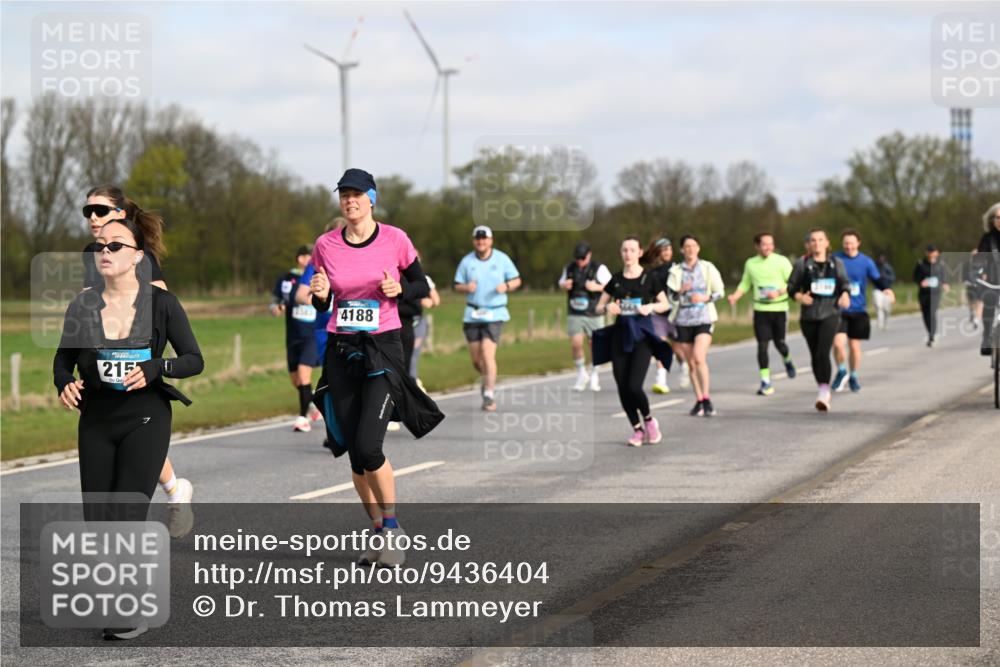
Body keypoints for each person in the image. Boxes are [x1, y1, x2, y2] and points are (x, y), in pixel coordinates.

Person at [53, 219, 204, 639]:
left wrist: (158, 366)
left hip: (147, 416)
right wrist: (64, 383)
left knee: (124, 513)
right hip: (97, 420)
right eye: (99, 244)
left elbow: (193, 358)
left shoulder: (163, 304)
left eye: (116, 245)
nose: (105, 250)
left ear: (138, 256)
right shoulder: (82, 306)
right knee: (98, 521)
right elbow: (62, 361)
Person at [308, 168, 444, 568]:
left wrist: (400, 288)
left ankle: (393, 529)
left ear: (372, 198)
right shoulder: (325, 245)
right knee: (353, 452)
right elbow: (323, 301)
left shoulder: (395, 239)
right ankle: (376, 529)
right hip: (341, 347)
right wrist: (320, 295)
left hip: (382, 347)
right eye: (344, 195)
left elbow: (422, 288)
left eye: (356, 194)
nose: (350, 200)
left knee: (370, 446)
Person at [81, 186, 193, 535]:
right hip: (105, 384)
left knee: (140, 446)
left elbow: (159, 302)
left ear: (120, 214)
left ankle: (175, 491)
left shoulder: (138, 255)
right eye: (88, 212)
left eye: (100, 210)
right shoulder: (92, 254)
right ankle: (176, 490)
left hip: (140, 370)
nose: (93, 218)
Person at [593, 237, 672, 446]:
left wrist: (651, 307)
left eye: (632, 250)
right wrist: (607, 308)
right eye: (624, 250)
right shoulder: (616, 280)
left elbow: (664, 304)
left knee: (634, 386)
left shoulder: (649, 279)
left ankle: (649, 420)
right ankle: (637, 429)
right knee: (621, 386)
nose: (628, 254)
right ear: (621, 253)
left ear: (639, 252)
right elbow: (598, 307)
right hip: (620, 336)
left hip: (642, 336)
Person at [454, 225, 522, 412]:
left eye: (484, 239)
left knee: (487, 352)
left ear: (490, 240)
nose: (481, 242)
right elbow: (457, 285)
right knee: (477, 360)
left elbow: (517, 280)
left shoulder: (502, 259)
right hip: (473, 313)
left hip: (495, 313)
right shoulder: (467, 261)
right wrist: (467, 288)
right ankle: (488, 378)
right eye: (478, 239)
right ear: (474, 241)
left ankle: (489, 395)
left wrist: (507, 286)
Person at [787, 228, 851, 412]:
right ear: (809, 244)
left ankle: (824, 392)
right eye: (813, 240)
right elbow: (791, 288)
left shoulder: (836, 263)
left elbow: (844, 283)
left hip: (830, 313)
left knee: (823, 352)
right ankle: (822, 387)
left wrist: (845, 295)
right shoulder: (802, 263)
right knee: (815, 355)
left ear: (827, 243)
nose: (817, 243)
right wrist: (800, 297)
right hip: (808, 316)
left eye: (820, 240)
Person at [727, 232, 797, 396]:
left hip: (779, 309)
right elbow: (745, 284)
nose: (768, 247)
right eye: (764, 244)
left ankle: (787, 359)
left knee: (780, 344)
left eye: (770, 244)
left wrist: (779, 292)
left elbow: (793, 282)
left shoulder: (782, 261)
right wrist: (735, 296)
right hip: (761, 311)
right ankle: (765, 381)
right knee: (762, 345)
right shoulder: (750, 263)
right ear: (757, 246)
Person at [666, 235, 725, 417]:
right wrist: (680, 291)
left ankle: (707, 398)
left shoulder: (707, 268)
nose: (690, 249)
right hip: (683, 320)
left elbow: (719, 292)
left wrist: (705, 298)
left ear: (698, 248)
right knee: (691, 363)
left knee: (699, 358)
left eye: (693, 246)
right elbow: (670, 297)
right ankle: (699, 400)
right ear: (682, 250)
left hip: (703, 319)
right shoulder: (676, 271)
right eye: (687, 246)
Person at [830, 229, 895, 393]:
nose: (849, 246)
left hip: (858, 310)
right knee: (838, 344)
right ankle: (842, 370)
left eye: (852, 243)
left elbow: (877, 279)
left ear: (858, 243)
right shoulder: (835, 259)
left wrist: (887, 289)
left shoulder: (866, 261)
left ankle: (853, 376)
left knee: (854, 346)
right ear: (842, 244)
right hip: (838, 309)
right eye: (846, 243)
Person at [270, 245, 321, 432]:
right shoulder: (286, 279)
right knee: (296, 380)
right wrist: (275, 308)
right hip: (292, 335)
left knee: (303, 372)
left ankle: (302, 418)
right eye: (309, 256)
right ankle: (313, 402)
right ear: (300, 258)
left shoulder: (319, 277)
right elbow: (275, 301)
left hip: (312, 335)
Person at [558, 241, 611, 392]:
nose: (580, 261)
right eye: (577, 258)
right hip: (574, 311)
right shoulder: (569, 268)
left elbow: (613, 286)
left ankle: (595, 373)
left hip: (593, 312)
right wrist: (565, 285)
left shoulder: (599, 268)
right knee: (576, 342)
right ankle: (581, 373)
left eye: (583, 258)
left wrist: (597, 287)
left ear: (589, 255)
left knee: (595, 344)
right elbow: (561, 282)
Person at [641, 237, 682, 393]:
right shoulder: (651, 272)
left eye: (669, 249)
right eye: (664, 250)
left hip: (676, 314)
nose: (667, 252)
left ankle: (683, 366)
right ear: (658, 252)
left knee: (679, 347)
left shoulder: (677, 269)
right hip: (659, 314)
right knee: (661, 344)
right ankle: (661, 380)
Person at [974, 202, 1000, 356]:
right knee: (989, 306)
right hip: (992, 279)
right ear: (992, 220)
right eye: (997, 218)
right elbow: (981, 256)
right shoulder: (987, 239)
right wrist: (979, 269)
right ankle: (986, 338)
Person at [913, 244, 950, 347]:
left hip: (935, 293)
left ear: (937, 253)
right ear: (927, 253)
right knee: (925, 314)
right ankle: (930, 332)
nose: (932, 254)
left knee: (932, 313)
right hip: (923, 293)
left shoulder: (940, 265)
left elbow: (944, 276)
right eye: (930, 251)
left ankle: (932, 335)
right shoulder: (921, 264)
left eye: (934, 251)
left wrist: (945, 284)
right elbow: (915, 277)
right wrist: (921, 281)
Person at [873, 253, 896, 330]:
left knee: (886, 308)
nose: (881, 260)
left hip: (887, 289)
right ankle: (880, 323)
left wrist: (884, 276)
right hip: (877, 289)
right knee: (878, 306)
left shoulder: (888, 268)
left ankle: (885, 322)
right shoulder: (874, 267)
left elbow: (893, 278)